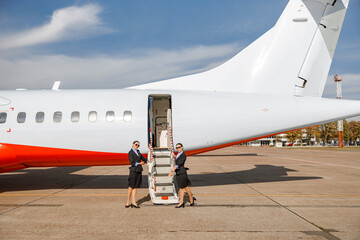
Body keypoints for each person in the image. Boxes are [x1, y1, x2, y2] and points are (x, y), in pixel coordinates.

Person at [168, 143, 196, 208]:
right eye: (177, 148)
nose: (178, 149)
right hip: (178, 172)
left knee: (185, 187)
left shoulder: (183, 155)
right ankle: (183, 201)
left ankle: (189, 200)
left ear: (182, 147)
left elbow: (178, 164)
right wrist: (174, 156)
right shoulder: (178, 154)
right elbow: (177, 161)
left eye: (179, 147)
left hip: (182, 173)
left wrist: (171, 171)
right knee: (181, 187)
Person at [125, 141, 150, 208]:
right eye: (136, 144)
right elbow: (132, 162)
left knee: (136, 186)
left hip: (139, 170)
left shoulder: (138, 152)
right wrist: (140, 163)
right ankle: (127, 201)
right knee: (131, 186)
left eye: (138, 145)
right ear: (133, 144)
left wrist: (148, 161)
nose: (137, 146)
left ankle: (133, 202)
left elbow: (143, 158)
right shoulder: (130, 152)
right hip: (133, 170)